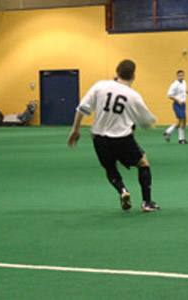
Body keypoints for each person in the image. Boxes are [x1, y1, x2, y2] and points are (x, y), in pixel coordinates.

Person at [67, 59, 160, 212]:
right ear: (133, 76)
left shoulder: (100, 86)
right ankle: (147, 202)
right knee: (143, 164)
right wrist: (149, 124)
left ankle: (123, 191)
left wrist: (75, 129)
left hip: (99, 138)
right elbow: (146, 121)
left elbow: (82, 108)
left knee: (110, 168)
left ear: (117, 72)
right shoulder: (133, 95)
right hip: (122, 138)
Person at [163, 70, 188, 144]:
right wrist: (178, 100)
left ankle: (167, 132)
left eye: (182, 75)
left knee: (182, 121)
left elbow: (184, 91)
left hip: (183, 104)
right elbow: (169, 95)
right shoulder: (174, 85)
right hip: (177, 104)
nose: (181, 77)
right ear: (177, 76)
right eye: (179, 75)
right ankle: (181, 139)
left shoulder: (184, 82)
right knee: (182, 120)